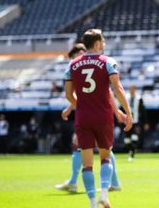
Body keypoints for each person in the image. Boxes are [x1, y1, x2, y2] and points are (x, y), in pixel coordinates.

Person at [64, 29, 133, 208]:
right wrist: (127, 112)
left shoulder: (72, 64)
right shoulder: (108, 62)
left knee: (87, 165)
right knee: (105, 158)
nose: (104, 44)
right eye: (102, 41)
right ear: (96, 43)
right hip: (102, 116)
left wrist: (82, 105)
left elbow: (69, 95)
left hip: (83, 117)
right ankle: (104, 192)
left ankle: (93, 203)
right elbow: (117, 89)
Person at [56, 43, 124, 193]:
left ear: (83, 52)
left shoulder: (90, 66)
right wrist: (70, 108)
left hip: (92, 115)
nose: (75, 60)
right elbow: (82, 96)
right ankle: (112, 182)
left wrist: (117, 112)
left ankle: (77, 183)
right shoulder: (87, 66)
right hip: (92, 114)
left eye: (75, 57)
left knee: (91, 148)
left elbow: (108, 93)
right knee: (102, 149)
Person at [124, 85, 145, 162]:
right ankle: (130, 150)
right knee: (127, 140)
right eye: (130, 89)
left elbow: (143, 110)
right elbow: (122, 108)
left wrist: (145, 122)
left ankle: (132, 154)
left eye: (132, 89)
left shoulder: (139, 98)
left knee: (134, 138)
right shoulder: (126, 97)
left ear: (135, 90)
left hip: (136, 121)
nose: (131, 90)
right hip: (127, 121)